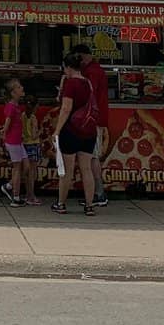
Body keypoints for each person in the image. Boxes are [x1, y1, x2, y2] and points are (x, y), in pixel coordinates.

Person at [51, 53, 98, 217]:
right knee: (86, 168)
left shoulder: (71, 84)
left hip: (71, 130)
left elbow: (66, 109)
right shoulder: (88, 83)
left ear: (68, 67)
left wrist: (57, 130)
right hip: (89, 131)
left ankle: (61, 203)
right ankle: (90, 205)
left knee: (67, 170)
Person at [71, 43, 109, 207]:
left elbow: (87, 93)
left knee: (92, 157)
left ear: (83, 56)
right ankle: (95, 192)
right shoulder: (96, 69)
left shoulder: (92, 72)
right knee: (91, 157)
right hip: (94, 119)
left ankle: (99, 193)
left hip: (91, 120)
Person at [0, 77, 26, 206]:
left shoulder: (17, 106)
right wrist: (4, 134)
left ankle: (9, 185)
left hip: (18, 140)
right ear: (13, 92)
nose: (22, 88)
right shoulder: (10, 106)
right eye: (19, 87)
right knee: (17, 167)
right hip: (13, 141)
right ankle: (16, 197)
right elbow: (7, 122)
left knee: (25, 166)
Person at [21, 93, 42, 205]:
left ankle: (27, 194)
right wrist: (40, 131)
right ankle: (31, 196)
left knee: (26, 172)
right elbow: (34, 135)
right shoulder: (33, 118)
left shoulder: (22, 115)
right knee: (32, 172)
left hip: (24, 145)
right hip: (33, 145)